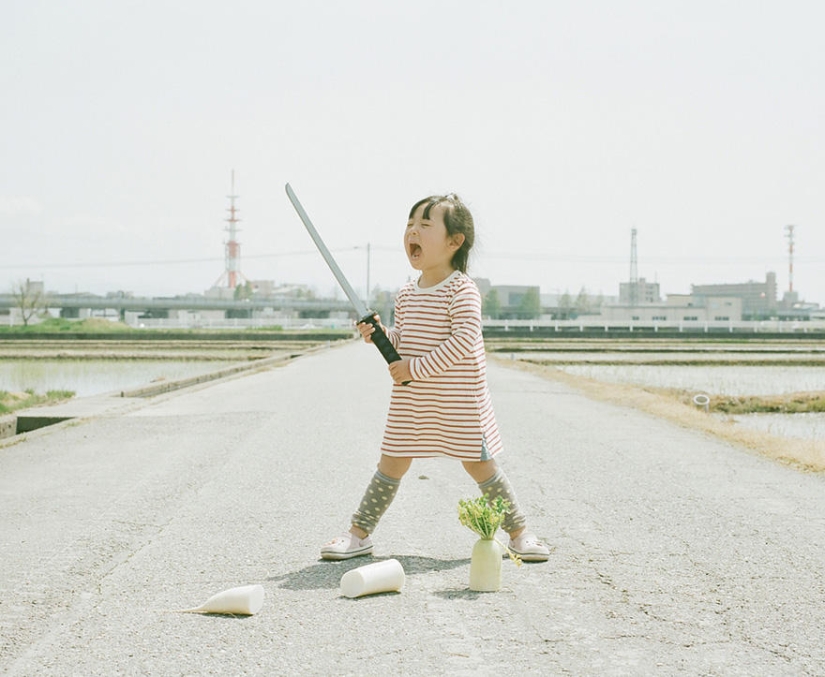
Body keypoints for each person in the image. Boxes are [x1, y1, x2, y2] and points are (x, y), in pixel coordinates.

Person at [321, 193, 550, 562]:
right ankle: (358, 533)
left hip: (458, 400)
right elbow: (404, 343)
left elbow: (463, 341)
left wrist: (413, 369)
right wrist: (380, 335)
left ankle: (520, 532)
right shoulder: (407, 293)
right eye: (410, 225)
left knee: (480, 466)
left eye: (425, 225)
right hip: (413, 401)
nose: (413, 231)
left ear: (454, 241)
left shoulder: (462, 289)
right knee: (391, 462)